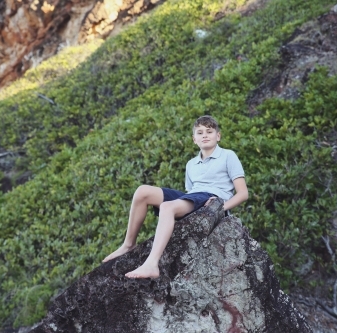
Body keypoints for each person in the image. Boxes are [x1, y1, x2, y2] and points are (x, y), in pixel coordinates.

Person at [102, 115, 248, 278]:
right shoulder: (191, 164)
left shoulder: (228, 156)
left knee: (167, 206)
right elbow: (190, 192)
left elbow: (243, 193)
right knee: (142, 191)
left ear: (218, 136)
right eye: (200, 133)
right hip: (194, 197)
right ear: (194, 139)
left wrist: (220, 207)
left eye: (209, 131)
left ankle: (151, 264)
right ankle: (128, 245)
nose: (205, 135)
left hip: (212, 200)